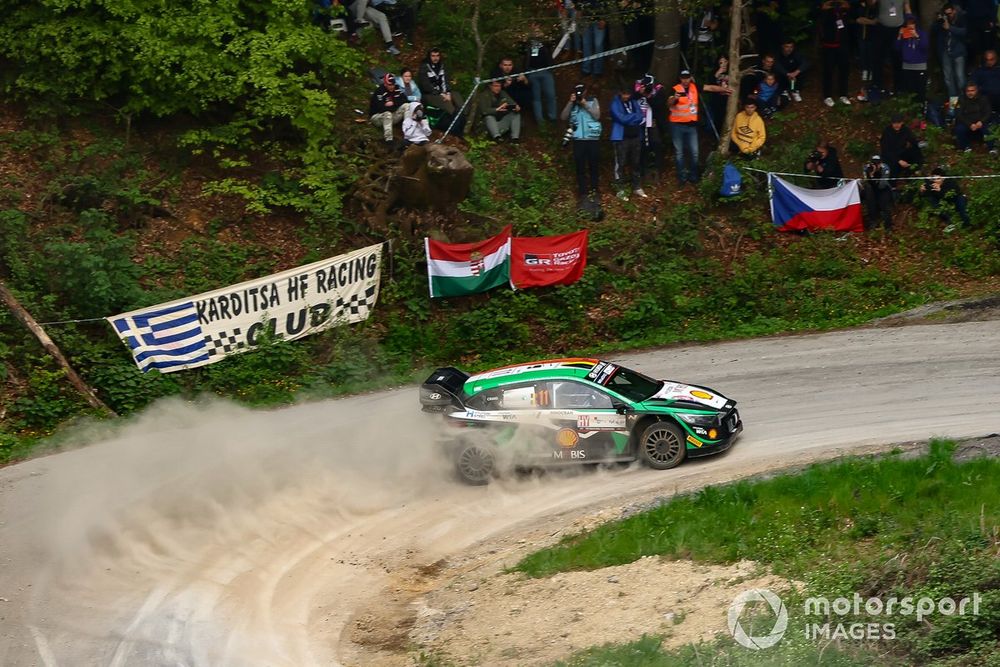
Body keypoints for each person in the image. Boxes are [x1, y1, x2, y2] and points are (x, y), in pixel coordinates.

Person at [668, 69, 729, 184]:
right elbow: (669, 103)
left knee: (695, 152)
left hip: (691, 126)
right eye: (683, 78)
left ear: (690, 77)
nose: (685, 80)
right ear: (680, 78)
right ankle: (682, 178)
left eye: (687, 77)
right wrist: (674, 98)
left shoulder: (694, 86)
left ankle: (694, 177)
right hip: (677, 125)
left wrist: (724, 89)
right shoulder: (675, 89)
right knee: (679, 153)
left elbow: (710, 88)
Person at [561, 82, 603, 201]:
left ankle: (595, 190)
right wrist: (570, 102)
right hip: (579, 139)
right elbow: (563, 117)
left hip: (592, 138)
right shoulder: (572, 104)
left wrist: (585, 104)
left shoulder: (592, 100)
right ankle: (583, 192)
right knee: (580, 166)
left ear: (585, 92)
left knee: (593, 165)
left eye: (581, 92)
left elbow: (597, 116)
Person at [418, 48, 466, 137]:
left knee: (457, 96)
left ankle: (462, 117)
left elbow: (446, 81)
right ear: (429, 56)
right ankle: (454, 129)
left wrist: (448, 92)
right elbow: (426, 86)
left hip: (444, 92)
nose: (435, 58)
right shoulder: (424, 67)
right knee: (447, 103)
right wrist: (441, 93)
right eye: (433, 56)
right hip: (430, 94)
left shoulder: (442, 66)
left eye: (437, 56)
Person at [609, 84, 646, 200]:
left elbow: (641, 116)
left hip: (635, 136)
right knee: (620, 163)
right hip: (621, 137)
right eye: (624, 94)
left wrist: (630, 118)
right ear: (620, 93)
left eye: (628, 94)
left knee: (635, 162)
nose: (626, 96)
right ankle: (620, 189)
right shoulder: (615, 103)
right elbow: (621, 118)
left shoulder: (633, 101)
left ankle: (636, 187)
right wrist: (633, 118)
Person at [819, 0, 853, 107]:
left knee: (844, 70)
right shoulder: (825, 11)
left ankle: (843, 94)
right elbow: (819, 20)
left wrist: (843, 5)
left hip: (843, 45)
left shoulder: (844, 10)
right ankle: (827, 96)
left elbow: (851, 12)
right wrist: (826, 6)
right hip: (829, 46)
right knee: (828, 71)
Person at [932, 4, 968, 105]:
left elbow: (964, 32)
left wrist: (950, 28)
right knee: (948, 79)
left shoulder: (961, 19)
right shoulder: (943, 21)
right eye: (946, 14)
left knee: (960, 77)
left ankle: (964, 101)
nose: (949, 15)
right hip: (945, 52)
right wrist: (939, 21)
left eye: (950, 13)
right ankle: (953, 103)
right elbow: (934, 30)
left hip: (958, 52)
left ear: (954, 11)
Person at [525, 29, 558, 127]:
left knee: (551, 95)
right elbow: (526, 58)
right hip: (532, 71)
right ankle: (540, 121)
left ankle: (553, 118)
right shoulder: (529, 44)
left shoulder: (547, 43)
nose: (537, 33)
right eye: (535, 31)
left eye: (539, 31)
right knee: (536, 98)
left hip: (546, 72)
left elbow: (552, 48)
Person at [895, 13, 929, 103]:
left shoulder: (922, 33)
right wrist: (899, 36)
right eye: (908, 23)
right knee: (909, 90)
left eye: (912, 23)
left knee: (920, 90)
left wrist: (917, 37)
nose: (910, 25)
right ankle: (912, 110)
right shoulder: (904, 34)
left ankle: (921, 109)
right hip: (907, 66)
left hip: (920, 66)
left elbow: (925, 47)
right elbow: (897, 48)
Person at [955, 83, 995, 153]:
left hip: (980, 122)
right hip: (967, 122)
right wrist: (969, 124)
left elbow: (988, 112)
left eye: (972, 90)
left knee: (989, 129)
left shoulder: (983, 98)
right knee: (959, 129)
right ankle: (965, 147)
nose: (970, 93)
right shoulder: (961, 99)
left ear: (976, 91)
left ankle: (992, 149)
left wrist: (981, 121)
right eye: (968, 91)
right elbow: (959, 114)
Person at [879, 113, 923, 179]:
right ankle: (893, 183)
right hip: (890, 156)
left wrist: (919, 143)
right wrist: (899, 161)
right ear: (892, 123)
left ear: (902, 122)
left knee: (916, 151)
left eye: (898, 123)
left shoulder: (905, 130)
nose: (897, 125)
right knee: (892, 167)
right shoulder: (887, 132)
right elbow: (885, 150)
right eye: (894, 123)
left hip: (901, 153)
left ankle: (914, 171)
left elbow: (913, 140)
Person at [369, 73, 407, 143]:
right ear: (385, 83)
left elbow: (404, 99)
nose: (392, 86)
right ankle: (389, 139)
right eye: (390, 85)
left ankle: (408, 133)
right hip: (378, 116)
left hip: (393, 115)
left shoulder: (397, 88)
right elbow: (381, 108)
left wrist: (394, 103)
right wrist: (394, 106)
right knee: (387, 113)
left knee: (406, 106)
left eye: (393, 84)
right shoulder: (379, 91)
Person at [861, 155, 894, 231]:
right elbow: (867, 182)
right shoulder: (867, 168)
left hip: (883, 188)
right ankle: (873, 222)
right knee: (869, 199)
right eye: (874, 163)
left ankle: (888, 226)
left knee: (884, 204)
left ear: (881, 163)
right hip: (871, 188)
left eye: (877, 164)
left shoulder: (885, 168)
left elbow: (882, 185)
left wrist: (874, 177)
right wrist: (871, 174)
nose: (876, 165)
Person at [855, 0, 880, 98]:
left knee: (871, 54)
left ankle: (871, 71)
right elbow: (858, 19)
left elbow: (876, 21)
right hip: (862, 35)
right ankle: (865, 70)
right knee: (863, 53)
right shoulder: (861, 7)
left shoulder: (876, 7)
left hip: (872, 36)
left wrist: (868, 21)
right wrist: (869, 21)